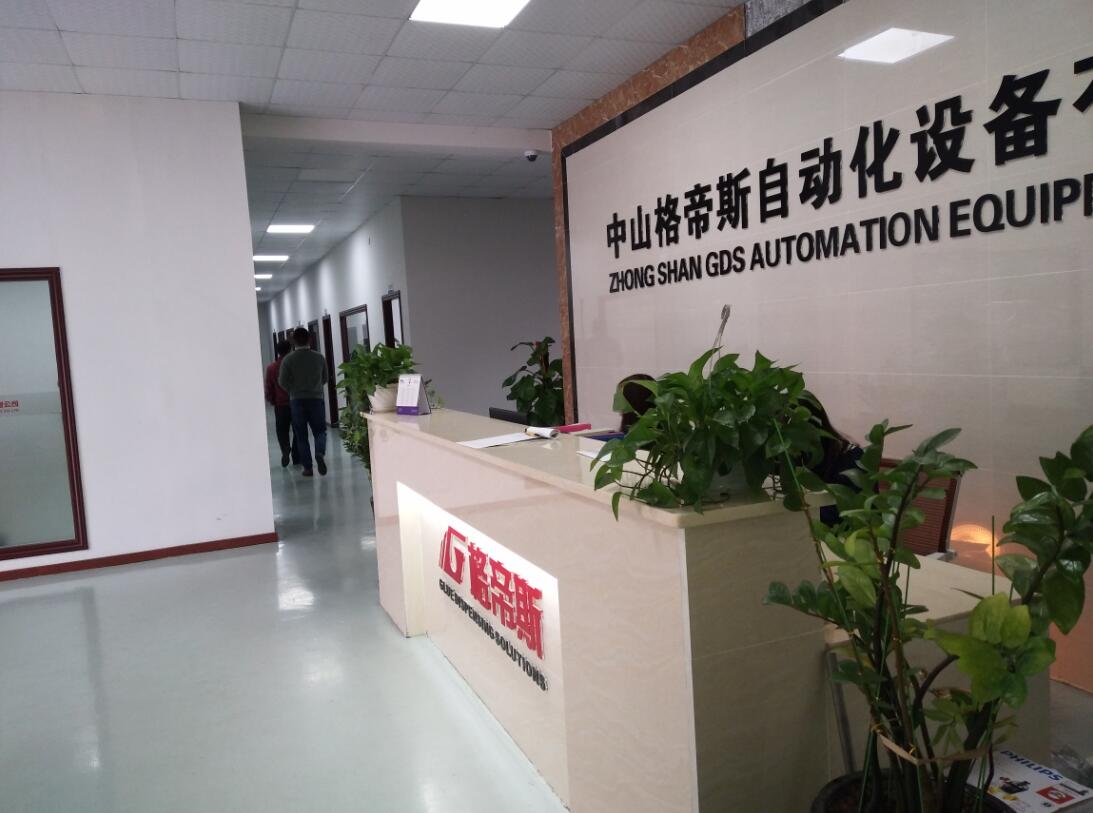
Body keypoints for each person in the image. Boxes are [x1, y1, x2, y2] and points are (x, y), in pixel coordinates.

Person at [279, 327, 329, 477]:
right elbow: (325, 378)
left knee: (301, 435)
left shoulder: (288, 360)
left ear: (293, 341)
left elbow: (282, 381)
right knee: (320, 431)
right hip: (316, 399)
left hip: (296, 401)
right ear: (310, 339)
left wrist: (293, 390)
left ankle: (308, 468)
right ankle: (319, 452)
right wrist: (315, 388)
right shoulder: (319, 358)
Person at [264, 340, 298, 468]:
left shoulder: (271, 368)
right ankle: (296, 456)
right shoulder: (295, 366)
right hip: (296, 403)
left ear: (278, 351)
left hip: (280, 405)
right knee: (298, 430)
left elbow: (269, 387)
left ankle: (285, 448)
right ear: (290, 349)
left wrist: (272, 400)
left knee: (281, 430)